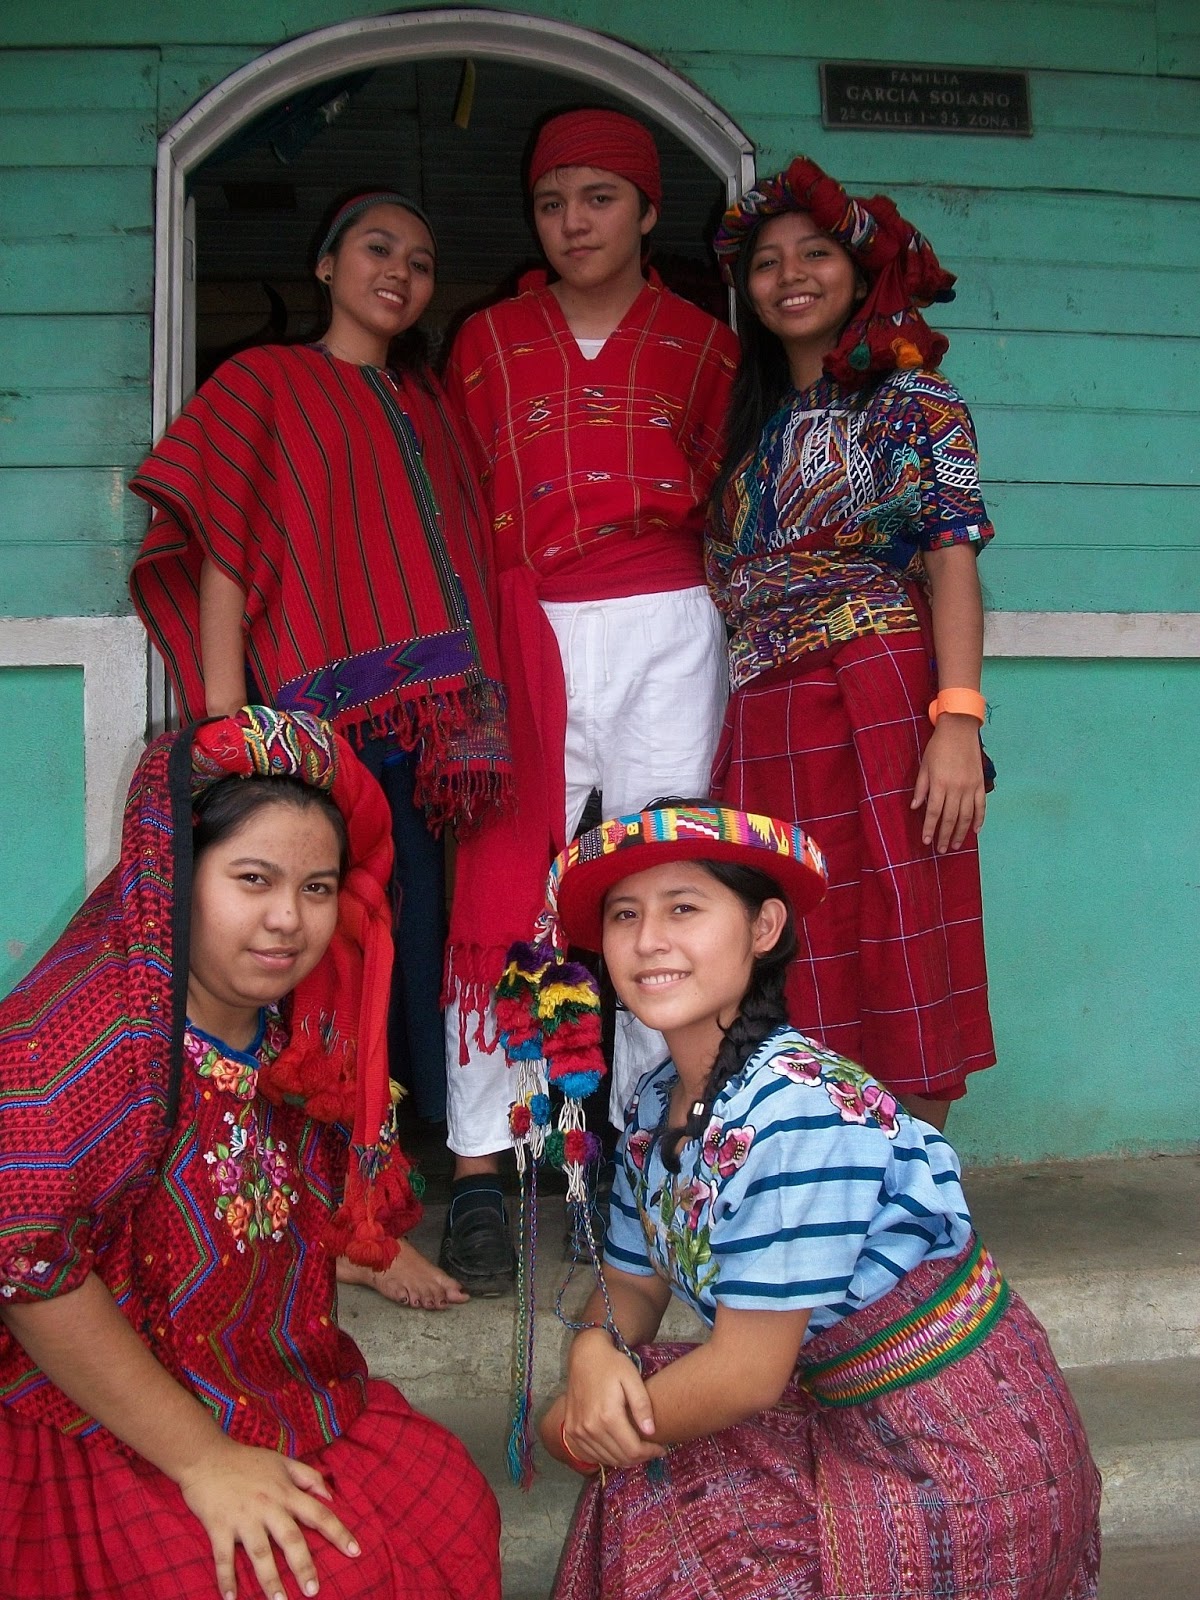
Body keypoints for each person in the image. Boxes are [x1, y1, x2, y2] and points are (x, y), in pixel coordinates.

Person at [522, 803, 1100, 1600]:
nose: (648, 940)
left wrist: (582, 1432)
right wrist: (592, 1355)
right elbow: (631, 1285)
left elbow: (747, 1375)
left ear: (763, 928)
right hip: (840, 1408)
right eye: (625, 914)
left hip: (954, 1453)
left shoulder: (795, 1109)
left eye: (683, 907)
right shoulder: (658, 1103)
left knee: (660, 1485)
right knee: (637, 1430)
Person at [0, 706, 502, 1600]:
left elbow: (232, 1207)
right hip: (102, 1417)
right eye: (253, 879)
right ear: (177, 877)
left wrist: (353, 1260)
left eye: (317, 888)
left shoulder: (293, 1042)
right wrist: (203, 1461)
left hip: (271, 1389)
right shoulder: (87, 1036)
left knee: (448, 1505)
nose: (287, 920)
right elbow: (29, 1271)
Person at [129, 191, 514, 1304]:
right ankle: (324, 1203)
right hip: (313, 737)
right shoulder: (265, 384)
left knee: (416, 954)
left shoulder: (430, 409)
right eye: (378, 248)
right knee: (317, 960)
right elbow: (224, 557)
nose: (401, 271)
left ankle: (393, 1189)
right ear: (326, 260)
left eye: (424, 259)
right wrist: (225, 730)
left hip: (431, 745)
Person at [439, 110, 740, 1289]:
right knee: (507, 880)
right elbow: (461, 499)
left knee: (652, 880)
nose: (574, 220)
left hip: (671, 618)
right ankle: (479, 1161)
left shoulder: (707, 345)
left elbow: (729, 496)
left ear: (649, 212)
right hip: (529, 623)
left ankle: (632, 1146)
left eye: (600, 198)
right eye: (553, 199)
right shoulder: (488, 340)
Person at [707, 156, 996, 1130]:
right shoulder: (747, 431)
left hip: (876, 690)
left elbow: (954, 555)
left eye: (815, 252)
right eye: (767, 262)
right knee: (787, 934)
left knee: (898, 929)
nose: (789, 274)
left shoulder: (921, 402)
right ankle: (816, 1175)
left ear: (860, 270)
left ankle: (914, 1206)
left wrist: (957, 717)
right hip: (763, 711)